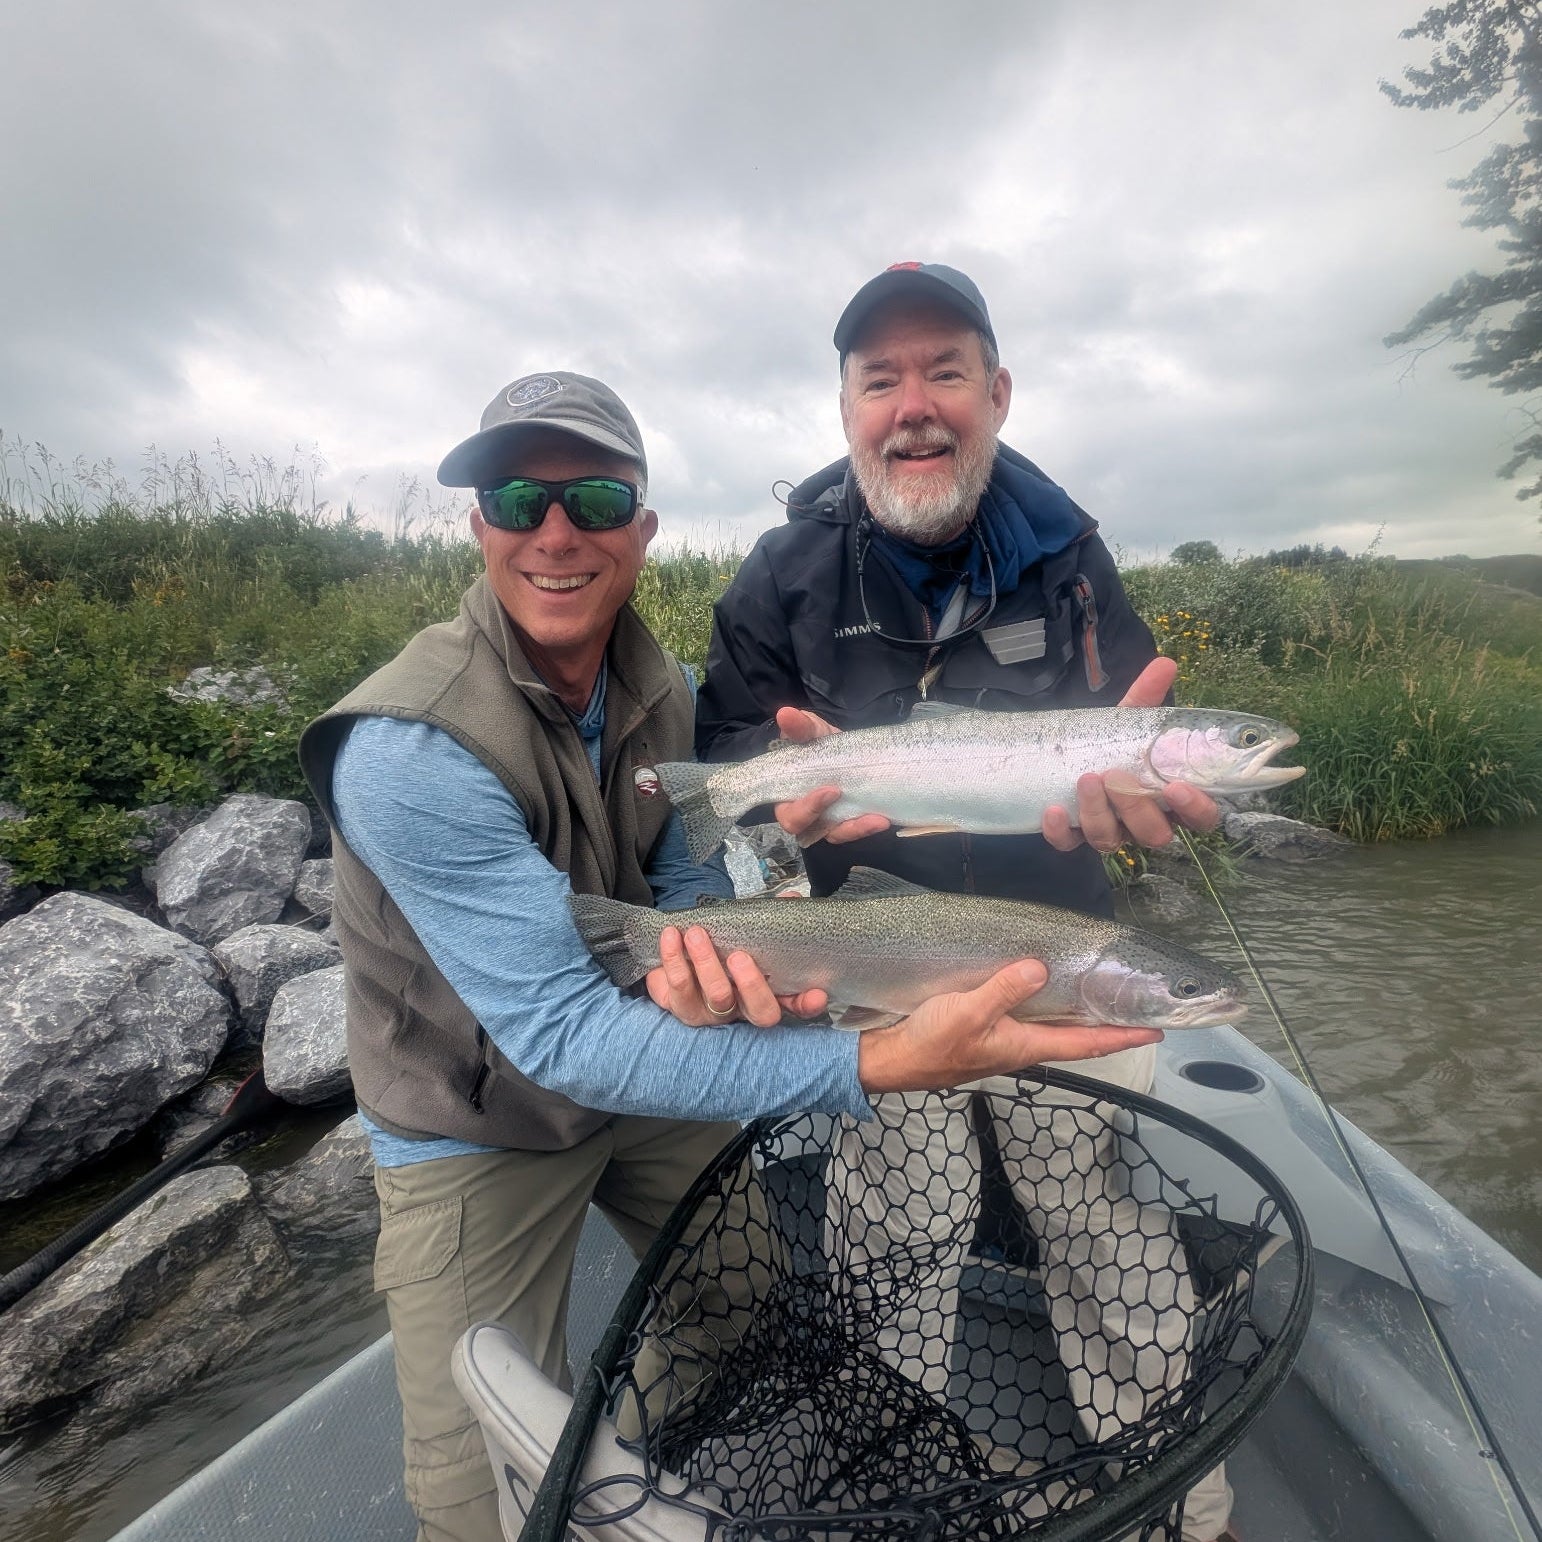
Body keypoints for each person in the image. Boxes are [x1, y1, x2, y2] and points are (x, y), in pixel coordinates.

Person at [296, 369, 1164, 1542]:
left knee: (745, 1314)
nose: (557, 533)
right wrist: (867, 1064)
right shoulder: (408, 749)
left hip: (644, 1054)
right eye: (518, 499)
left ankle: (649, 1473)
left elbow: (684, 882)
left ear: (642, 530)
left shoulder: (663, 690)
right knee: (476, 1491)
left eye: (596, 500)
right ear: (479, 526)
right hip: (477, 1115)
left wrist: (717, 951)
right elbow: (562, 1037)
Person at [694, 265, 1236, 1541]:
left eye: (944, 372)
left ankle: (1174, 1497)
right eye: (881, 380)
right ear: (845, 412)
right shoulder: (777, 578)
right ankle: (893, 1472)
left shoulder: (1074, 558)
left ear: (997, 393)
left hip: (1066, 956)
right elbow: (731, 764)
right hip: (875, 962)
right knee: (897, 1231)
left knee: (1100, 1220)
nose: (914, 406)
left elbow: (1131, 743)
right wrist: (781, 804)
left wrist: (1139, 802)